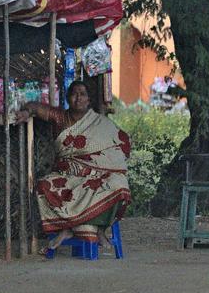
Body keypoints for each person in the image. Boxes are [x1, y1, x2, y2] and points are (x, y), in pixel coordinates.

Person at [14, 81, 132, 254]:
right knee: (43, 185)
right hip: (67, 175)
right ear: (68, 98)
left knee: (118, 184)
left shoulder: (100, 122)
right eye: (74, 94)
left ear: (89, 99)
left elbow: (122, 143)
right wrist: (26, 111)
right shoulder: (60, 117)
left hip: (96, 174)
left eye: (82, 94)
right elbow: (35, 106)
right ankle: (80, 228)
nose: (78, 98)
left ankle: (84, 229)